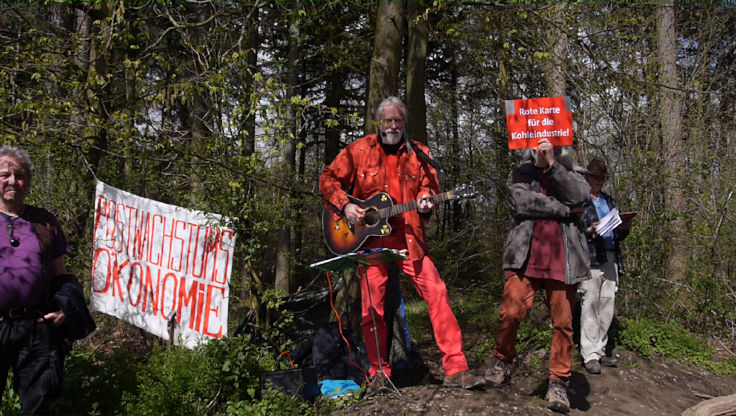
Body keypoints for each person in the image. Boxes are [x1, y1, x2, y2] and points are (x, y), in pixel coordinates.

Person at [319, 96, 485, 393]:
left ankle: (456, 368)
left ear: (404, 123)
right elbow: (327, 178)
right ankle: (378, 373)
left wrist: (426, 201)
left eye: (398, 121)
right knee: (373, 310)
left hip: (410, 240)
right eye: (388, 120)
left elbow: (429, 188)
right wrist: (345, 206)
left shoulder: (419, 153)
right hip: (371, 245)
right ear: (378, 122)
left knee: (437, 293)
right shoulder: (358, 150)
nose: (393, 126)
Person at [485, 139, 591, 414]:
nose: (542, 148)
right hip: (524, 258)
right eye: (538, 145)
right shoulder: (520, 173)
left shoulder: (572, 172)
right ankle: (503, 361)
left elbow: (580, 196)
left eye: (548, 145)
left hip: (563, 261)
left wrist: (554, 167)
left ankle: (558, 382)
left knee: (564, 323)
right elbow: (522, 203)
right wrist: (564, 209)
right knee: (510, 311)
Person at [0, 145, 95, 414]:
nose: (12, 181)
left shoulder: (44, 222)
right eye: (4, 175)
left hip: (35, 326)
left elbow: (60, 275)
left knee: (37, 405)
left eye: (19, 176)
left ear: (28, 182)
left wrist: (65, 307)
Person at [578, 157, 631, 374]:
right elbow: (575, 231)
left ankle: (599, 350)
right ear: (588, 178)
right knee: (589, 304)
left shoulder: (610, 201)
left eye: (602, 178)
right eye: (596, 178)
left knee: (607, 305)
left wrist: (625, 226)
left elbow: (619, 234)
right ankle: (589, 354)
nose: (599, 182)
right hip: (590, 258)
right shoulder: (580, 202)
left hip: (610, 257)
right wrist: (589, 230)